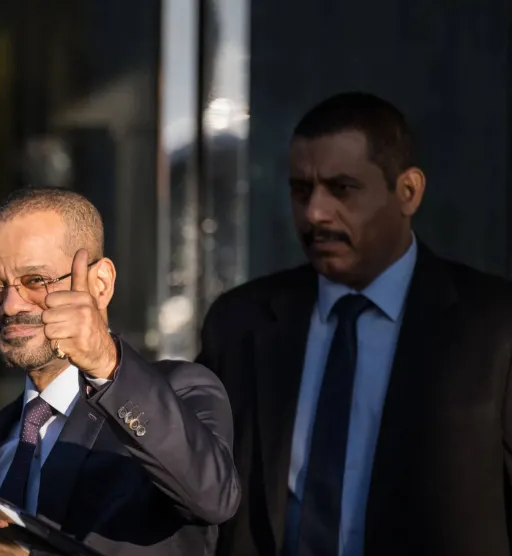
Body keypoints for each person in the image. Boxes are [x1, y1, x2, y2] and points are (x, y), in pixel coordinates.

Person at [199, 92, 512, 556]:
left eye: (341, 189)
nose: (315, 214)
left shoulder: (495, 328)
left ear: (408, 192)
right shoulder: (241, 322)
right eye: (301, 190)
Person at [0, 187, 241, 555]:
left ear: (100, 284)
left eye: (35, 281)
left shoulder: (180, 390)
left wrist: (107, 364)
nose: (10, 305)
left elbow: (214, 496)